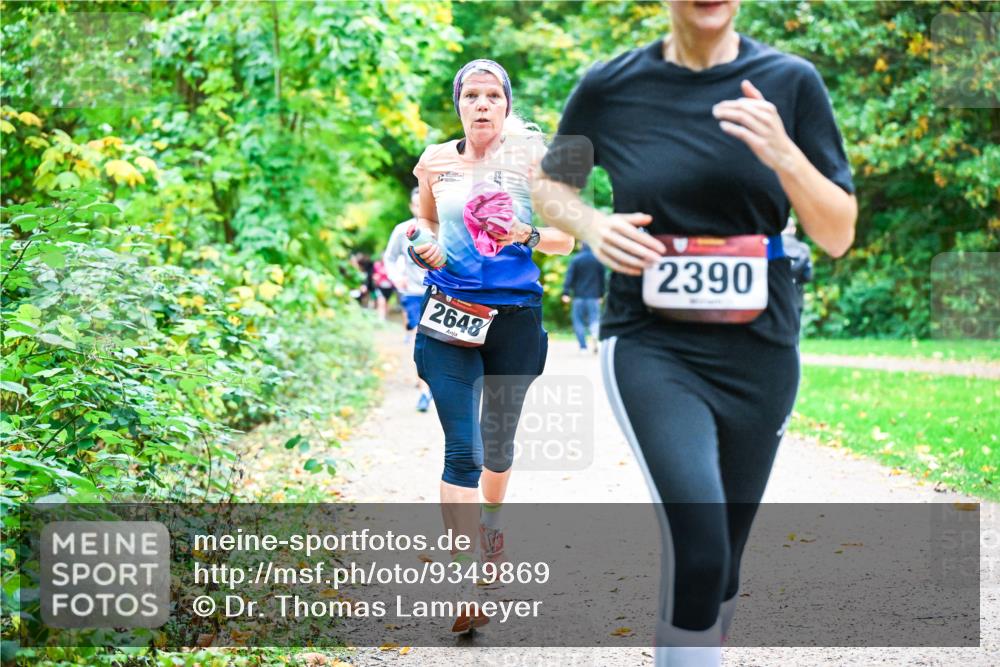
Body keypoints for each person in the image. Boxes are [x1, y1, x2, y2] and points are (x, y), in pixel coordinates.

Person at [532, 1, 856, 664]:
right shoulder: (610, 84)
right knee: (700, 544)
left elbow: (837, 233)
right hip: (650, 341)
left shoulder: (790, 81)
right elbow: (548, 186)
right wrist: (592, 227)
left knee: (723, 561)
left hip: (761, 349)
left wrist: (785, 155)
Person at [410, 58, 574, 632]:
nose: (482, 104)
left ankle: (493, 522)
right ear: (457, 103)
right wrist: (422, 245)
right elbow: (424, 222)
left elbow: (564, 239)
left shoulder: (533, 162)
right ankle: (462, 582)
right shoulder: (435, 161)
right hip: (449, 317)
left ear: (506, 105)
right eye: (472, 95)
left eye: (492, 96)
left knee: (498, 449)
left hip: (515, 320)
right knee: (465, 450)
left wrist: (523, 233)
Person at [383, 187, 434, 411]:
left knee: (438, 339)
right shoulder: (402, 230)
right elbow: (390, 258)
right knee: (418, 337)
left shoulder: (441, 228)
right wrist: (397, 278)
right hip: (413, 292)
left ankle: (434, 381)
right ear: (411, 206)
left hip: (440, 292)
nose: (419, 208)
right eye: (416, 204)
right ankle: (425, 390)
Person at [561, 241, 606, 353]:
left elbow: (569, 277)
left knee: (578, 321)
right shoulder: (598, 260)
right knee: (594, 319)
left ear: (582, 246)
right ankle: (595, 334)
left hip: (578, 297)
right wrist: (601, 294)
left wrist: (566, 293)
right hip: (594, 297)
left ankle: (583, 347)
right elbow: (602, 279)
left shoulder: (576, 259)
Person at [782, 217, 814, 322]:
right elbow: (808, 276)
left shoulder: (771, 247)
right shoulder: (803, 249)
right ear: (793, 229)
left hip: (776, 296)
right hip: (796, 297)